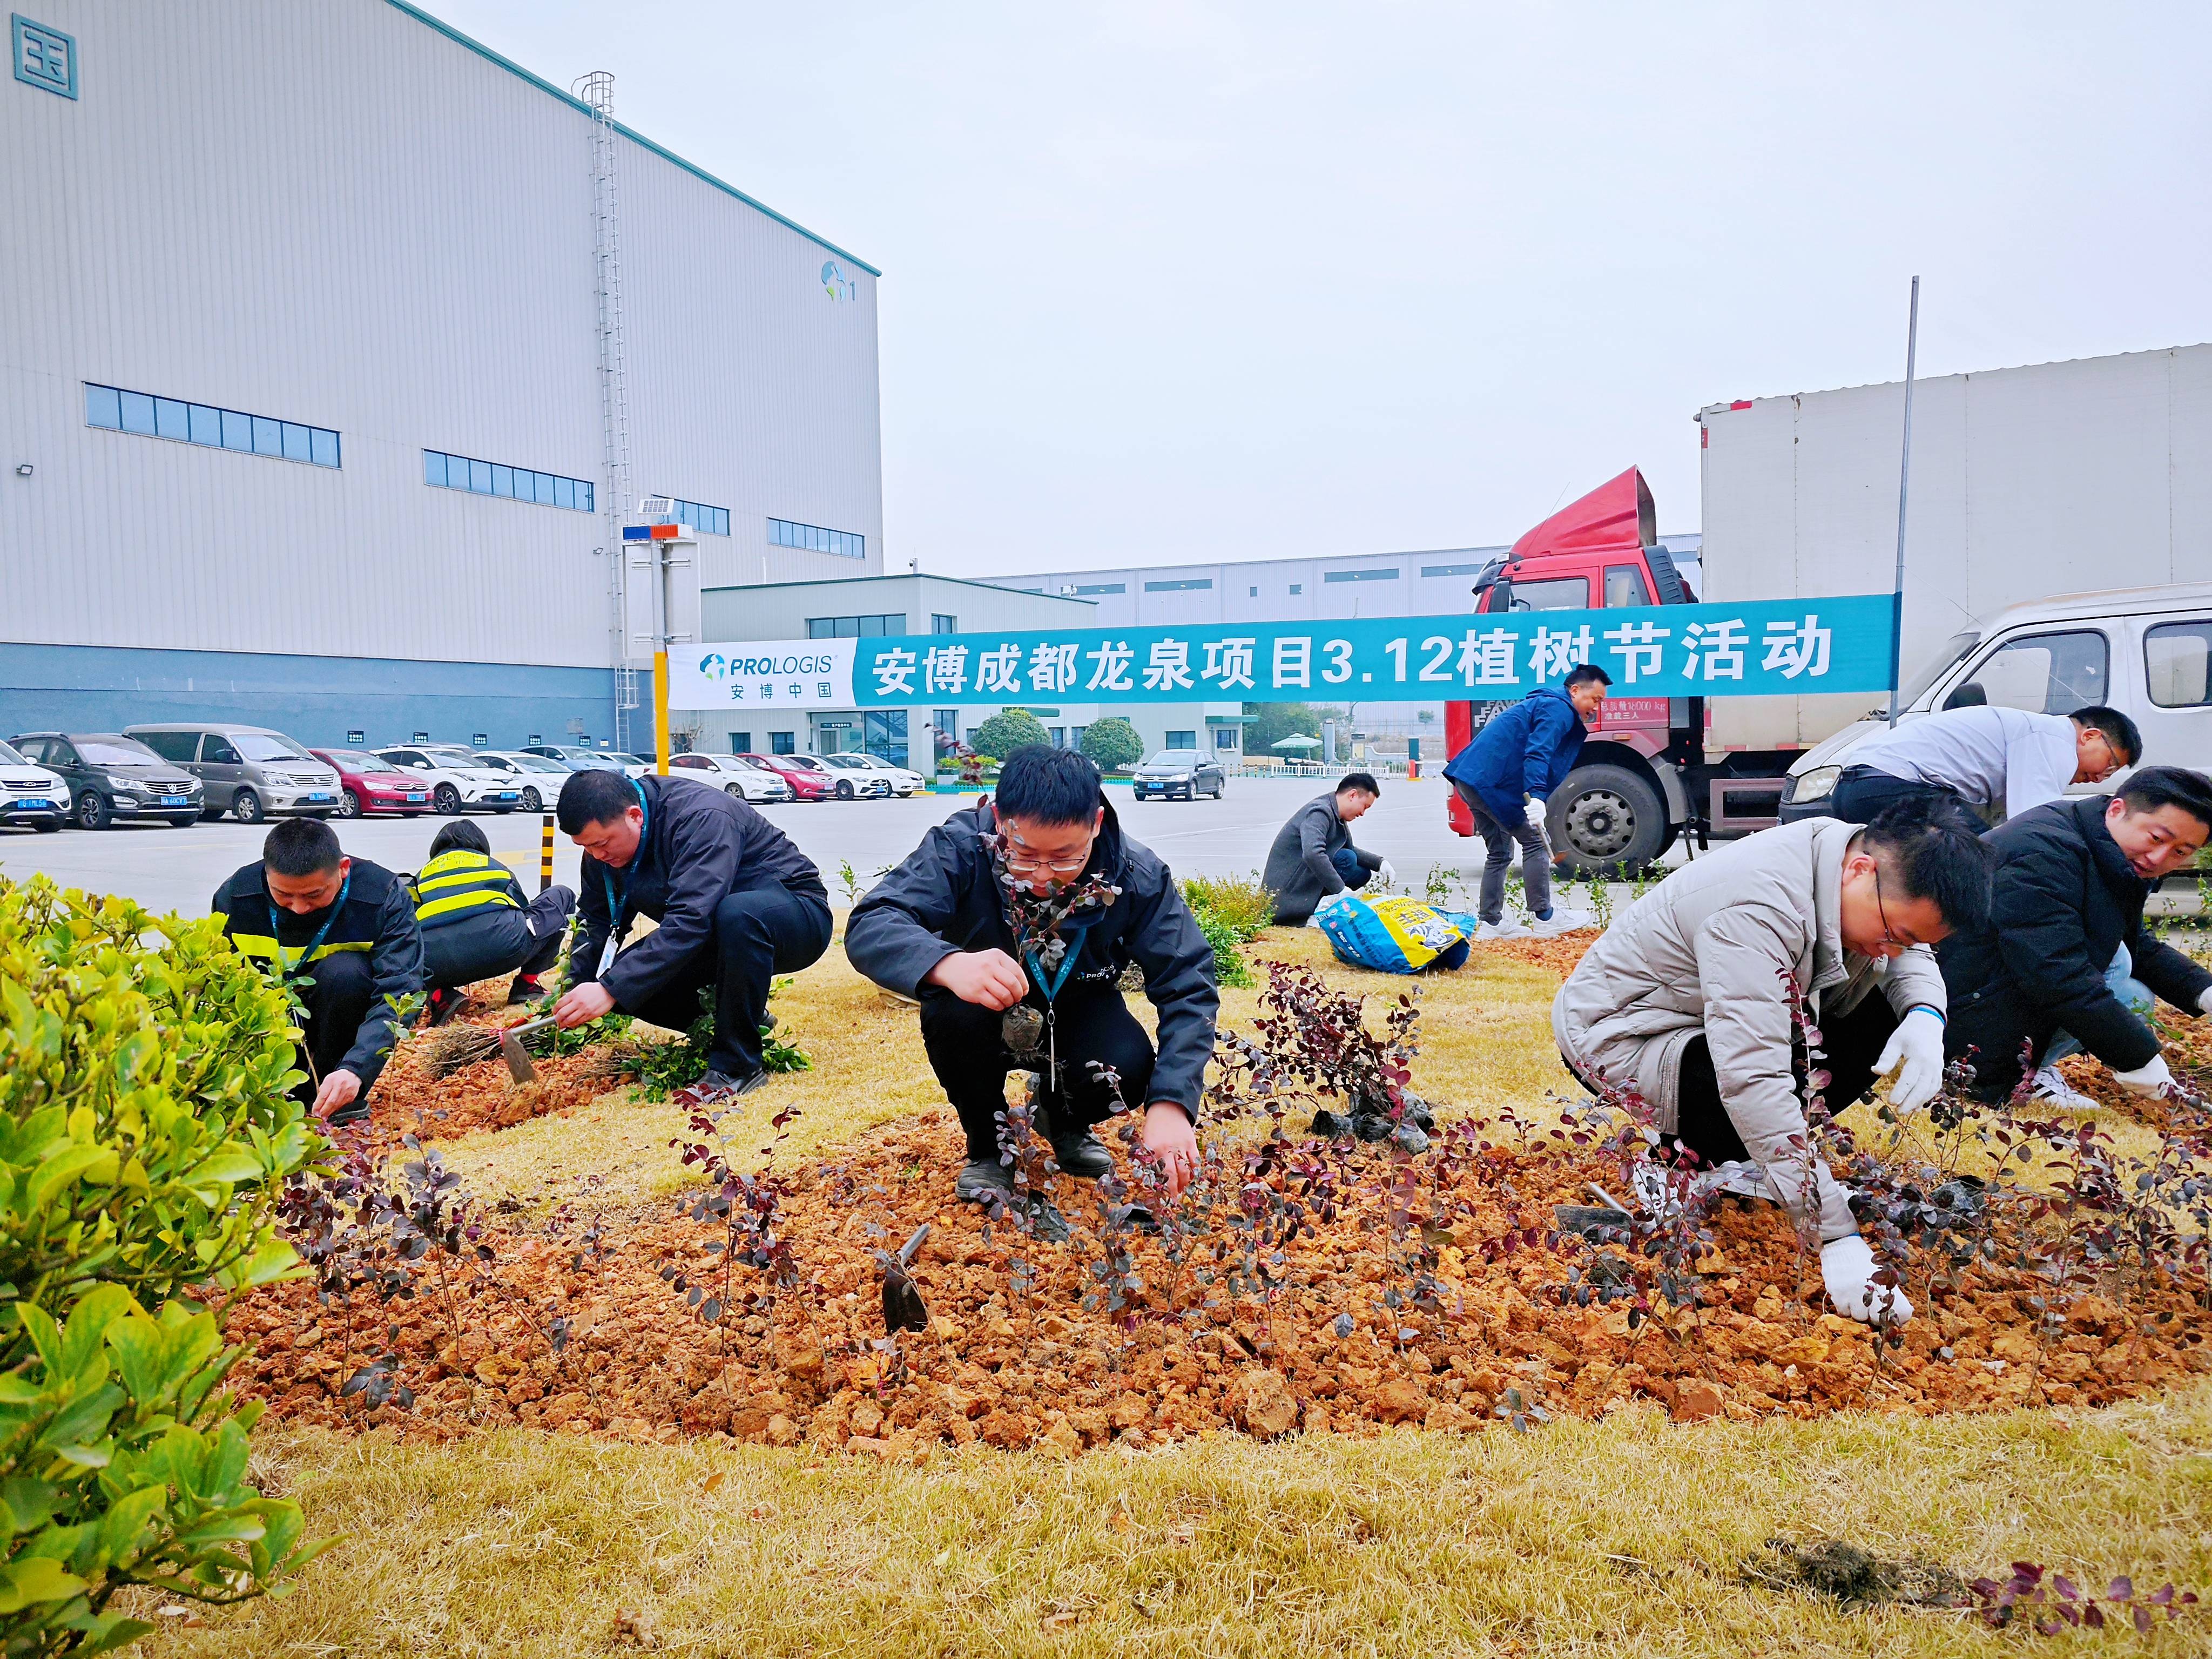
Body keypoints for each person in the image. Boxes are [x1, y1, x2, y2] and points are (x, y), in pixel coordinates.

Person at [1552, 798, 1994, 1326]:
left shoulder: (1851, 859)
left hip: (1704, 1024)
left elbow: (1908, 944)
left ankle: (1740, 1160)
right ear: (1861, 871)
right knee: (1752, 1085)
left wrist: (1925, 1013)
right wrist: (1837, 1237)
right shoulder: (1758, 909)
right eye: (1895, 934)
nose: (1895, 951)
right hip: (1627, 1038)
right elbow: (1751, 1077)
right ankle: (1678, 1163)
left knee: (1880, 1010)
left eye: (1909, 940)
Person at [846, 745, 1217, 1204]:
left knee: (1128, 1065)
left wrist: (1172, 1104)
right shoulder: (960, 848)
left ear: (1096, 824)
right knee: (952, 1017)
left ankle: (1062, 1119)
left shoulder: (1137, 875)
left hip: (1080, 1003)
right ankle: (988, 1146)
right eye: (1023, 855)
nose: (1044, 877)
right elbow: (872, 921)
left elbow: (1189, 981)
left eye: (1065, 858)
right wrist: (948, 963)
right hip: (981, 1002)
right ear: (1000, 819)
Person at [1939, 765, 2212, 1109]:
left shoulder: (2110, 851)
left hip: (1999, 979)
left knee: (2132, 991)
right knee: (2107, 971)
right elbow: (2056, 974)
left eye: (2181, 852)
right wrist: (2137, 1059)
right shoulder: (2043, 852)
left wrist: (2203, 991)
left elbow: (2134, 942)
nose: (2160, 858)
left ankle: (2031, 1066)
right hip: (1956, 995)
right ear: (2118, 809)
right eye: (2157, 838)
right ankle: (1988, 1073)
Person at [551, 766, 831, 1099]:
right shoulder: (602, 851)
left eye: (602, 844)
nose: (598, 856)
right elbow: (596, 920)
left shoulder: (700, 817)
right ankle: (744, 1019)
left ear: (634, 816)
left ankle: (736, 1066)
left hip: (793, 916)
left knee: (736, 915)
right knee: (628, 983)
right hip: (718, 930)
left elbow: (691, 919)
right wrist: (571, 994)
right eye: (586, 848)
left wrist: (609, 988)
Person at [212, 817, 423, 1124]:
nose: (298, 907)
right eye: (283, 895)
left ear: (344, 869)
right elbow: (224, 985)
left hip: (341, 1015)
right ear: (266, 874)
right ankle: (285, 1094)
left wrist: (356, 1068)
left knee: (346, 972)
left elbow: (401, 989)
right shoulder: (235, 897)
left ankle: (335, 1092)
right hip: (276, 1020)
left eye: (313, 895)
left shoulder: (382, 896)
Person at [1442, 663, 1611, 939]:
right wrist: (1537, 796)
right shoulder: (1558, 709)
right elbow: (1538, 753)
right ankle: (1545, 916)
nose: (1596, 708)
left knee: (1499, 851)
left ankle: (1490, 923)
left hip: (1472, 778)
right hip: (1489, 782)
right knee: (1534, 840)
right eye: (1595, 699)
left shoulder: (1545, 703)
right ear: (1575, 690)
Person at [1829, 703, 2139, 826]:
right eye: (2110, 765)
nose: (2101, 778)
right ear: (2091, 736)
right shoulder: (2054, 738)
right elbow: (2036, 827)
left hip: (1855, 787)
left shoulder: (2030, 731)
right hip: (1893, 785)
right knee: (1985, 863)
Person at [408, 819, 578, 1025]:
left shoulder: (419, 878)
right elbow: (521, 910)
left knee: (412, 951)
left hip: (438, 966)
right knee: (562, 895)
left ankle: (441, 997)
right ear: (481, 844)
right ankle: (527, 985)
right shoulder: (494, 867)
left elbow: (404, 930)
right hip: (505, 950)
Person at [1261, 771, 1394, 927]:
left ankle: (1324, 908)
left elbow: (1346, 847)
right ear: (1352, 795)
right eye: (1365, 806)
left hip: (1300, 886)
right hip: (1285, 899)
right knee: (1347, 859)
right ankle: (1313, 914)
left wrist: (1380, 863)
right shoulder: (1320, 811)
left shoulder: (1336, 814)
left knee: (1361, 872)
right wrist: (1340, 889)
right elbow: (1312, 853)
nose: (1363, 813)